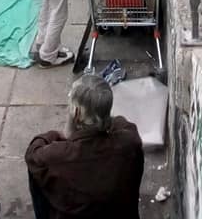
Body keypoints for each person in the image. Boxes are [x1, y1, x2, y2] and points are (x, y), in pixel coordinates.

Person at [25, 74, 144, 219]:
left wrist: (61, 132)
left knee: (36, 173)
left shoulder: (56, 157)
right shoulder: (129, 140)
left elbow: (32, 154)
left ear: (76, 112)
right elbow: (118, 122)